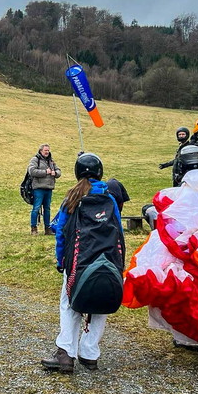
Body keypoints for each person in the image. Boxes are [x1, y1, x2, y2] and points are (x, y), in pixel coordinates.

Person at [41, 152, 125, 373]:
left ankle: (66, 354)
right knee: (101, 304)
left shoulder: (72, 198)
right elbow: (120, 233)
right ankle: (90, 354)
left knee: (68, 305)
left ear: (77, 172)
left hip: (77, 263)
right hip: (108, 261)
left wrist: (61, 261)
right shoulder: (110, 198)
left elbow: (61, 233)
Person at [28, 144, 61, 235]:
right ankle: (33, 228)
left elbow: (59, 171)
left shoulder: (51, 161)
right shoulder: (35, 160)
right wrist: (45, 172)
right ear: (40, 151)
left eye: (48, 150)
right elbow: (31, 171)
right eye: (45, 150)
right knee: (36, 208)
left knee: (47, 209)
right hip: (38, 188)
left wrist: (55, 173)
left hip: (49, 188)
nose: (47, 152)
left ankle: (47, 229)